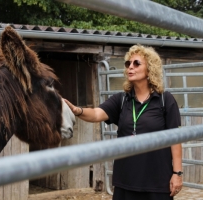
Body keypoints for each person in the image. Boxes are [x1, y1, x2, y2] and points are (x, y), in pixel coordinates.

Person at [64, 44, 183, 200]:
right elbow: (95, 114)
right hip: (125, 182)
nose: (130, 67)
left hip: (157, 183)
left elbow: (176, 139)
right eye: (128, 64)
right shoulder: (121, 100)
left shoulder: (164, 100)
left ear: (150, 69)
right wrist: (77, 110)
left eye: (136, 63)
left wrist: (177, 173)